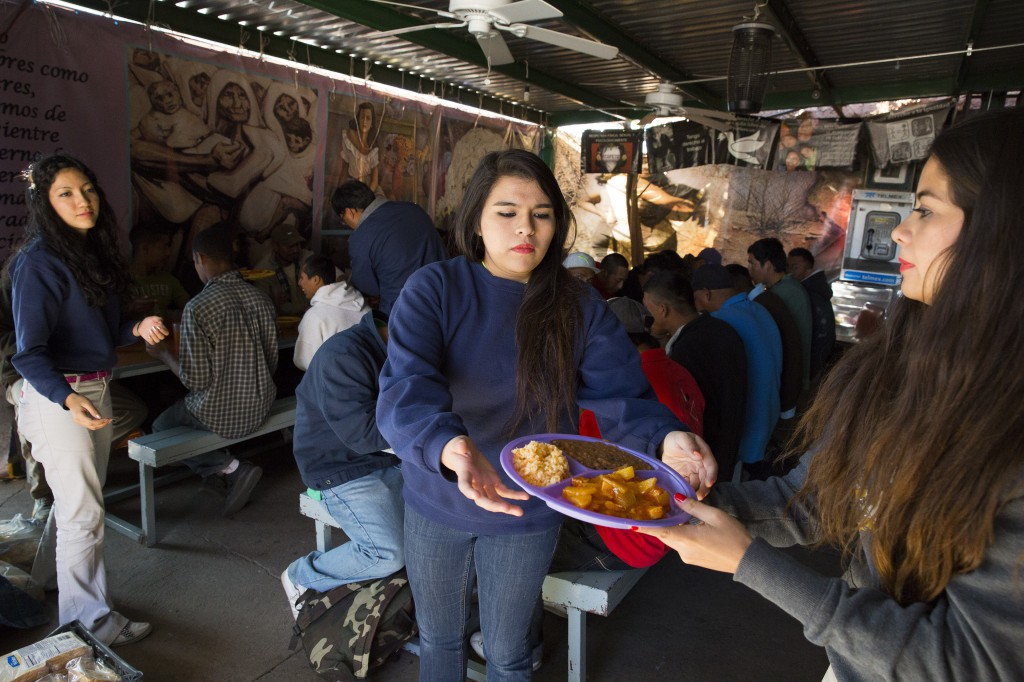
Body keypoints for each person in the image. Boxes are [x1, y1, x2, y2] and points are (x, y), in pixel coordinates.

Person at [641, 108, 1024, 681]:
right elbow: (815, 500)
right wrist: (682, 500)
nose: (899, 228)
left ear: (1001, 231)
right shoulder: (905, 371)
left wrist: (748, 561)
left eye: (925, 208)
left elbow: (973, 661)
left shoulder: (1008, 437)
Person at [376, 149, 714, 680]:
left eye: (542, 214)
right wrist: (450, 447)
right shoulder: (435, 290)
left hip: (527, 513)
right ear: (477, 220)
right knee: (439, 639)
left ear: (558, 224)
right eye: (506, 212)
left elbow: (623, 397)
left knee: (508, 655)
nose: (525, 229)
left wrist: (667, 437)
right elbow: (406, 389)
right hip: (436, 498)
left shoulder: (578, 307)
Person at [8, 154, 162, 645]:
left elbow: (97, 331)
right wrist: (66, 399)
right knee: (84, 512)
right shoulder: (37, 262)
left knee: (78, 504)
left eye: (88, 189)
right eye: (66, 194)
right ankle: (87, 625)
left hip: (94, 387)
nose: (82, 201)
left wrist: (133, 327)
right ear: (44, 205)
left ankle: (50, 586)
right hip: (61, 396)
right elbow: (28, 353)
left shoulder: (88, 252)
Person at [146, 226, 277, 517]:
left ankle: (230, 468)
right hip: (261, 405)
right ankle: (214, 476)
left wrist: (165, 354)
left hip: (222, 416)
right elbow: (271, 362)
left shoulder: (198, 307)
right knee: (184, 412)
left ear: (200, 258)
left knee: (160, 427)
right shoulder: (261, 299)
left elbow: (196, 380)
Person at [281, 311, 404, 618]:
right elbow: (362, 437)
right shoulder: (344, 355)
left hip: (384, 458)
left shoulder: (398, 349)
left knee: (441, 521)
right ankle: (302, 576)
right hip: (340, 469)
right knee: (388, 553)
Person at [643, 270, 746, 478]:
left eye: (648, 311)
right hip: (733, 439)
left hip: (705, 455)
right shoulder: (722, 328)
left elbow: (692, 412)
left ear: (662, 310)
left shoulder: (685, 350)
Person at [692, 263, 782, 470]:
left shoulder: (720, 323)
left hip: (746, 425)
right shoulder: (759, 309)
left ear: (705, 294)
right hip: (769, 416)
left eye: (695, 299)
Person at [331, 179, 448, 315]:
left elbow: (367, 287)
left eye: (343, 220)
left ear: (349, 212)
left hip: (403, 312)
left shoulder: (360, 238)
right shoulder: (414, 209)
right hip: (444, 298)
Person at [748, 237, 812, 390]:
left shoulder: (784, 293)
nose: (749, 269)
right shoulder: (784, 287)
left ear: (768, 265)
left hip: (790, 379)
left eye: (752, 263)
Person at [292, 254, 368, 371]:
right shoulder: (363, 306)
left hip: (333, 383)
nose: (299, 283)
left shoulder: (315, 316)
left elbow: (305, 361)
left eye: (302, 278)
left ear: (316, 280)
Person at [788, 247, 837, 381]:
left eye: (795, 267)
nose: (790, 272)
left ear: (808, 269)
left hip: (812, 363)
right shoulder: (815, 289)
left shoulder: (808, 294)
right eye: (788, 267)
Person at [253, 223, 313, 317]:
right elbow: (264, 306)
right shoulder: (263, 270)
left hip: (310, 316)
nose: (295, 250)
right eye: (290, 246)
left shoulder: (308, 258)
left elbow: (336, 275)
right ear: (275, 247)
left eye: (297, 244)